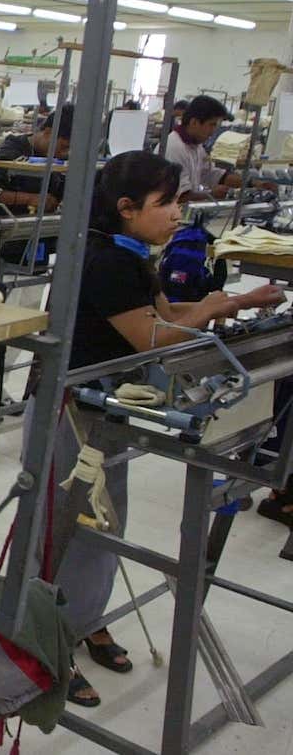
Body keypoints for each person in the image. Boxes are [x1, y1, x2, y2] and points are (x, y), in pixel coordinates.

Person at [52, 150, 284, 708]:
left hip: (106, 409)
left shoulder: (131, 254)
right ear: (127, 208)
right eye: (167, 204)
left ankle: (85, 620)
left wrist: (231, 302)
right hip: (72, 411)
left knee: (104, 522)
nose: (179, 214)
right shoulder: (103, 261)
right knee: (69, 529)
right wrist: (212, 309)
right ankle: (47, 644)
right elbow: (152, 338)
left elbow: (167, 316)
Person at [0, 104, 75, 217]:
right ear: (48, 133)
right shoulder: (11, 154)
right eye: (64, 147)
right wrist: (28, 199)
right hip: (5, 225)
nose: (66, 153)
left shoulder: (61, 160)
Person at [167, 95, 255, 201]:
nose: (213, 132)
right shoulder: (175, 148)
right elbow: (179, 196)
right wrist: (211, 194)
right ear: (194, 122)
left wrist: (251, 183)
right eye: (211, 125)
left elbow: (211, 173)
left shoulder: (196, 147)